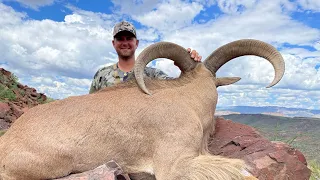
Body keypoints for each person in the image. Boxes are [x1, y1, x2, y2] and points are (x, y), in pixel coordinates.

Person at [89, 21, 202, 94]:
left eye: (129, 38)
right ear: (113, 43)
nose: (124, 42)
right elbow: (90, 104)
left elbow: (178, 88)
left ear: (136, 43)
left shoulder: (154, 75)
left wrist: (187, 68)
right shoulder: (101, 75)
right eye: (120, 39)